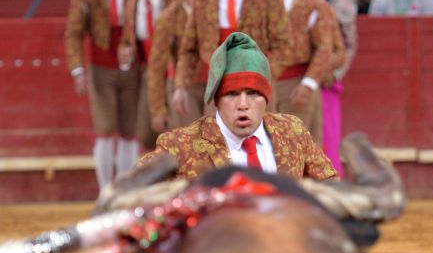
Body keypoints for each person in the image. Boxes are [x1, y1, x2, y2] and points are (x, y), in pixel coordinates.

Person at [139, 32, 336, 181]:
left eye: (253, 93)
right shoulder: (179, 145)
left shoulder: (292, 131)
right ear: (217, 100)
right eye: (232, 94)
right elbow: (137, 189)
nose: (243, 104)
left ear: (266, 98)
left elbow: (330, 187)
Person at [171, 0, 292, 118]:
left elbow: (284, 45)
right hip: (219, 85)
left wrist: (260, 74)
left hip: (257, 86)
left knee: (259, 143)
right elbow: (189, 49)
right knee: (217, 145)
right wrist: (180, 86)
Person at [65, 0, 140, 190]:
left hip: (134, 69)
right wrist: (77, 69)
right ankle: (106, 191)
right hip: (100, 69)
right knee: (105, 129)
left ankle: (124, 190)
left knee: (129, 130)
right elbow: (74, 33)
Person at [275, 0, 336, 141]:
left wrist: (308, 84)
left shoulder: (316, 3)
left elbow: (324, 48)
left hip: (297, 82)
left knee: (294, 149)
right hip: (266, 83)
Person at [119, 0, 175, 151]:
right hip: (151, 76)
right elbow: (127, 41)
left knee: (180, 130)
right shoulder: (131, 7)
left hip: (175, 73)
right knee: (146, 133)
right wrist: (126, 53)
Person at [146, 0, 205, 135]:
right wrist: (158, 109)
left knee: (219, 141)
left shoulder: (213, 11)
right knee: (190, 142)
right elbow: (156, 65)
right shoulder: (167, 18)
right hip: (183, 85)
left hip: (214, 82)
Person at [320, 0, 357, 175]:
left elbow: (349, 45)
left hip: (328, 80)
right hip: (304, 74)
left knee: (329, 131)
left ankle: (330, 176)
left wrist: (335, 74)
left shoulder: (345, 6)